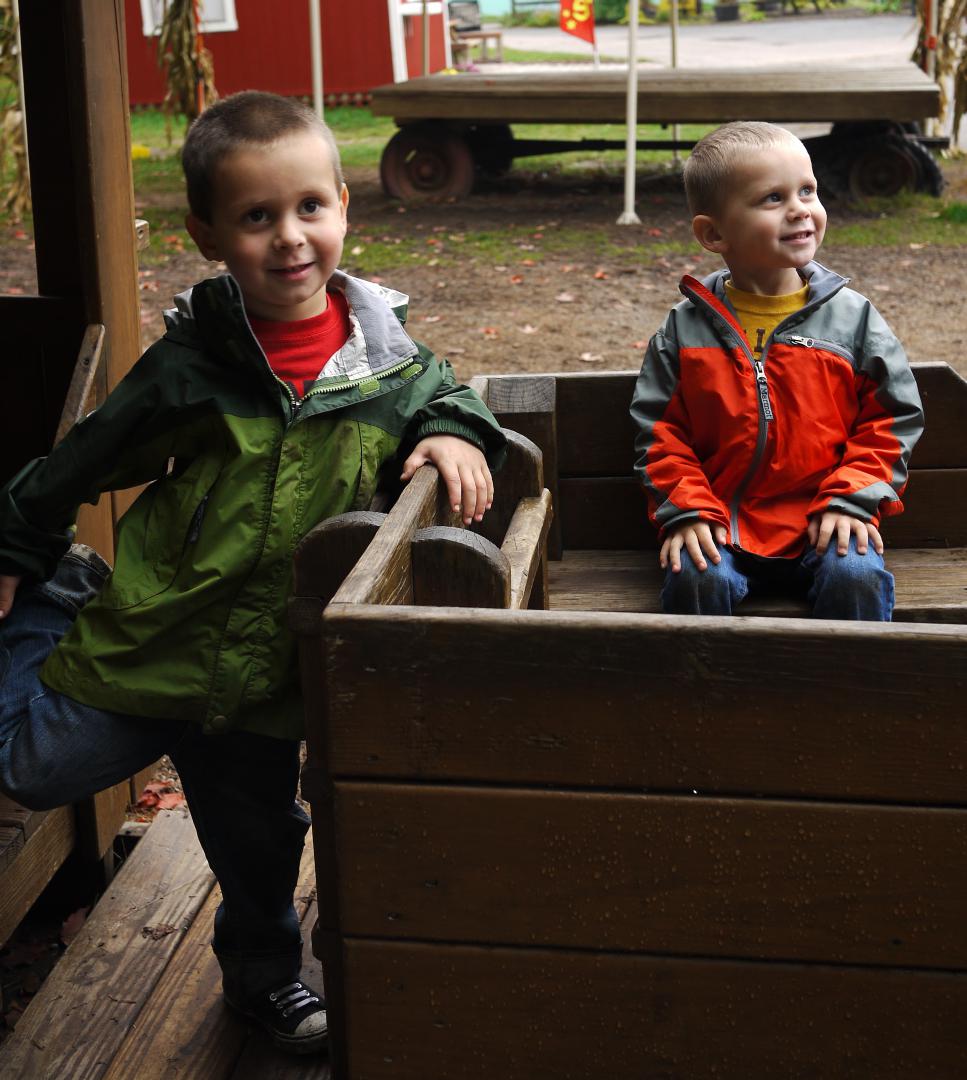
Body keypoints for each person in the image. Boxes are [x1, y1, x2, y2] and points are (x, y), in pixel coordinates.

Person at [0, 91, 505, 1055]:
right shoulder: (194, 367)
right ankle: (63, 593)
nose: (289, 237)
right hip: (161, 641)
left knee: (260, 841)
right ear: (208, 235)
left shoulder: (390, 366)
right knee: (34, 767)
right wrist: (18, 552)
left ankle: (264, 979)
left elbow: (451, 398)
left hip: (269, 670)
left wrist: (450, 431)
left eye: (309, 207)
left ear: (343, 206)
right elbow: (76, 464)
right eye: (256, 216)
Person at [630, 121, 923, 620]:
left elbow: (891, 421)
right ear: (713, 233)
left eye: (807, 190)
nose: (800, 209)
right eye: (773, 198)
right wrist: (689, 511)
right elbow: (661, 435)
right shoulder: (685, 329)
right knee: (696, 576)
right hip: (720, 523)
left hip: (828, 519)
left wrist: (852, 499)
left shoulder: (854, 320)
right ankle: (705, 675)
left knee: (856, 576)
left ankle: (852, 674)